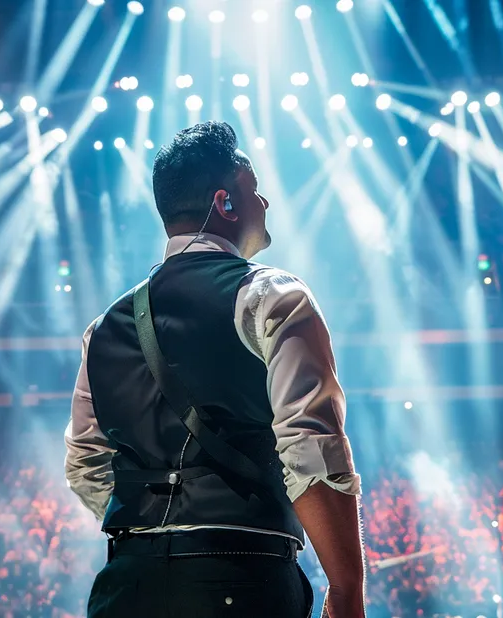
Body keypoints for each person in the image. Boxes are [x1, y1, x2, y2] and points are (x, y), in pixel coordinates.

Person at [65, 121, 366, 618]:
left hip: (126, 586)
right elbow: (311, 449)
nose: (265, 203)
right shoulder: (275, 297)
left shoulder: (103, 328)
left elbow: (84, 463)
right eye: (255, 190)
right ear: (225, 203)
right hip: (242, 581)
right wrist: (347, 587)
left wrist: (156, 531)